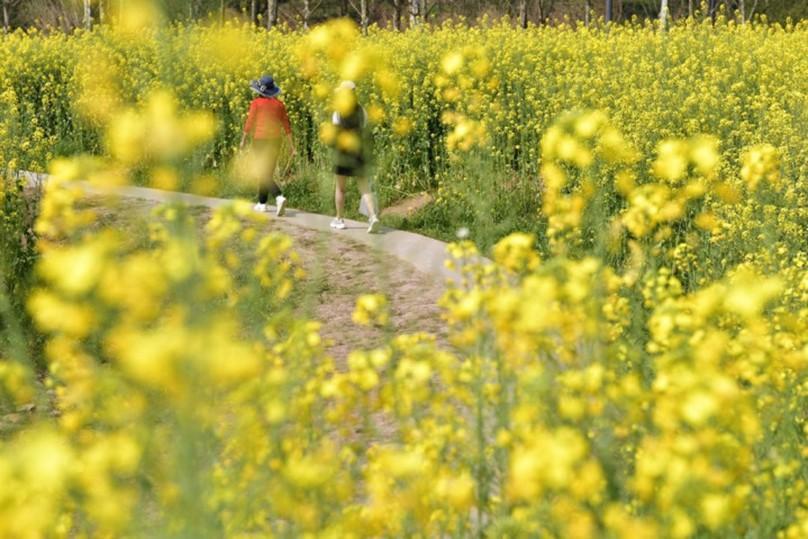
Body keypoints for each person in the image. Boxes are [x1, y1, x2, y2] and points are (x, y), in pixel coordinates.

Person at [240, 75, 295, 216]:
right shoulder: (280, 105)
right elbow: (287, 126)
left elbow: (249, 122)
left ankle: (279, 196)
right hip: (276, 141)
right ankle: (262, 203)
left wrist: (243, 139)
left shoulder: (256, 103)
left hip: (260, 141)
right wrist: (292, 147)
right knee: (267, 173)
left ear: (260, 91)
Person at [330, 80, 380, 234]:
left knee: (340, 188)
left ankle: (339, 219)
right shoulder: (362, 111)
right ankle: (372, 217)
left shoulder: (337, 112)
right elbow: (365, 133)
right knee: (365, 188)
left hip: (343, 153)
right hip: (358, 153)